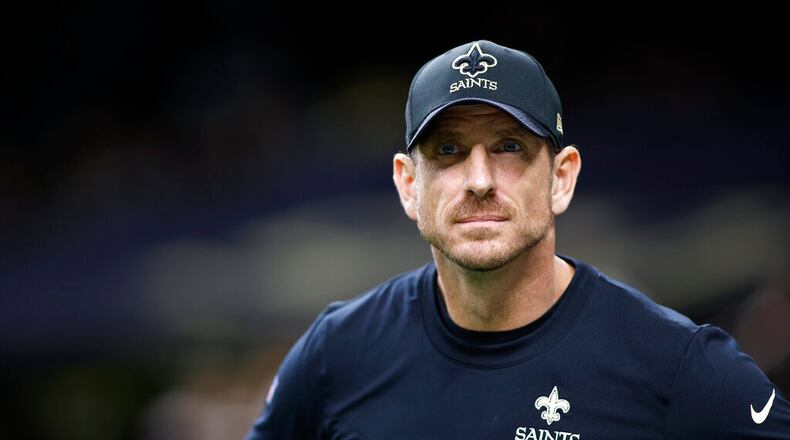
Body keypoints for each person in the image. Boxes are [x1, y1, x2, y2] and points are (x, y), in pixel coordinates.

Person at [245, 40, 790, 439]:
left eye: (508, 147)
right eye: (448, 151)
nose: (479, 180)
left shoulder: (678, 366)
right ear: (409, 185)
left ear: (561, 178)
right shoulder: (338, 353)